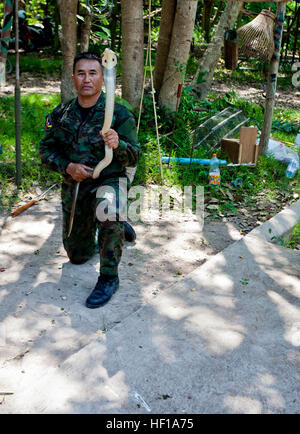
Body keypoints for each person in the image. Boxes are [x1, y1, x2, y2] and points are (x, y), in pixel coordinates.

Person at [39, 52, 141, 308]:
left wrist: (118, 145)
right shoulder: (60, 114)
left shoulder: (119, 113)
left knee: (108, 213)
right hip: (76, 185)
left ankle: (109, 278)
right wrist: (68, 166)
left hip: (109, 179)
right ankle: (115, 232)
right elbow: (45, 151)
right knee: (77, 256)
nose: (87, 79)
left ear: (102, 78)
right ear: (73, 78)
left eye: (93, 73)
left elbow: (135, 157)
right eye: (81, 73)